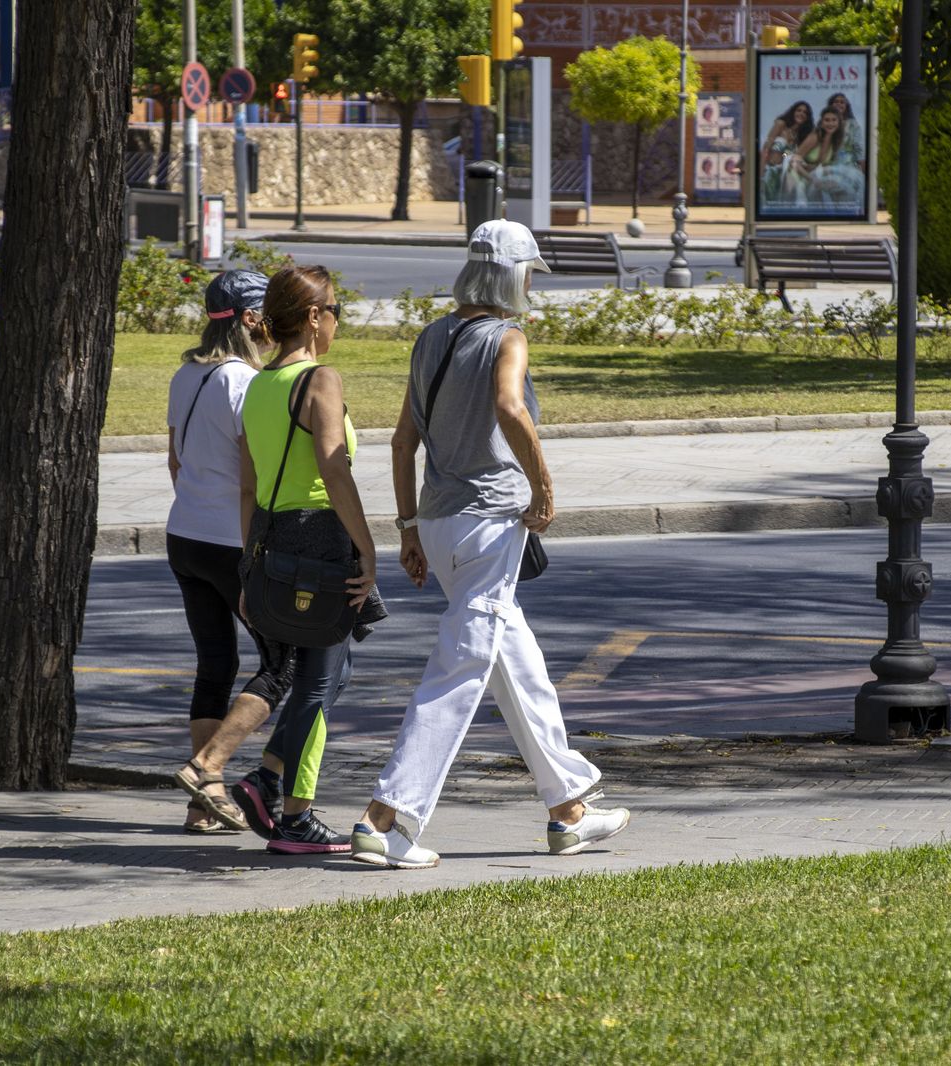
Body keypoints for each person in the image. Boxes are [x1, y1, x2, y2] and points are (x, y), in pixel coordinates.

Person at [349, 220, 631, 870]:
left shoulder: (431, 338)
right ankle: (385, 819)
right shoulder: (508, 336)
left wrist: (410, 528)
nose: (532, 283)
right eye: (529, 272)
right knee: (460, 669)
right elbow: (510, 407)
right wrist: (544, 488)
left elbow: (401, 443)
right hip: (490, 523)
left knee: (515, 661)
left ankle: (569, 811)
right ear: (511, 275)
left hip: (443, 525)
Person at [229, 265, 384, 855]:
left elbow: (247, 487)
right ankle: (292, 810)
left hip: (272, 539)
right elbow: (333, 466)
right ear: (314, 317)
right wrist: (365, 548)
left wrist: (250, 562)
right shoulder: (320, 379)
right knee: (321, 680)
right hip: (322, 540)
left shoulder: (258, 386)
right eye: (336, 311)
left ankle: (270, 781)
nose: (338, 322)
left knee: (330, 673)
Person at [167, 271, 293, 834]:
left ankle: (204, 805)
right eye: (266, 312)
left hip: (185, 535)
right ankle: (206, 767)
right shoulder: (242, 381)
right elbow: (255, 471)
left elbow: (176, 461)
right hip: (229, 541)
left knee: (215, 664)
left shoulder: (186, 373)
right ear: (248, 319)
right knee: (283, 661)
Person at [784, 106, 845, 205]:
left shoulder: (836, 140)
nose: (830, 123)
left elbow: (825, 166)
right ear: (821, 122)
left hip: (816, 177)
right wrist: (814, 180)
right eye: (827, 120)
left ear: (839, 123)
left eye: (834, 120)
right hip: (799, 175)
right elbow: (793, 161)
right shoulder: (815, 137)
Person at [759, 100, 813, 205]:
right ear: (793, 112)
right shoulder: (781, 125)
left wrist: (786, 155)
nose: (801, 114)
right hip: (768, 170)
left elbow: (785, 155)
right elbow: (766, 148)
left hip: (782, 175)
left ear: (807, 117)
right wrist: (761, 172)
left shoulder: (798, 137)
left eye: (805, 113)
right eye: (799, 110)